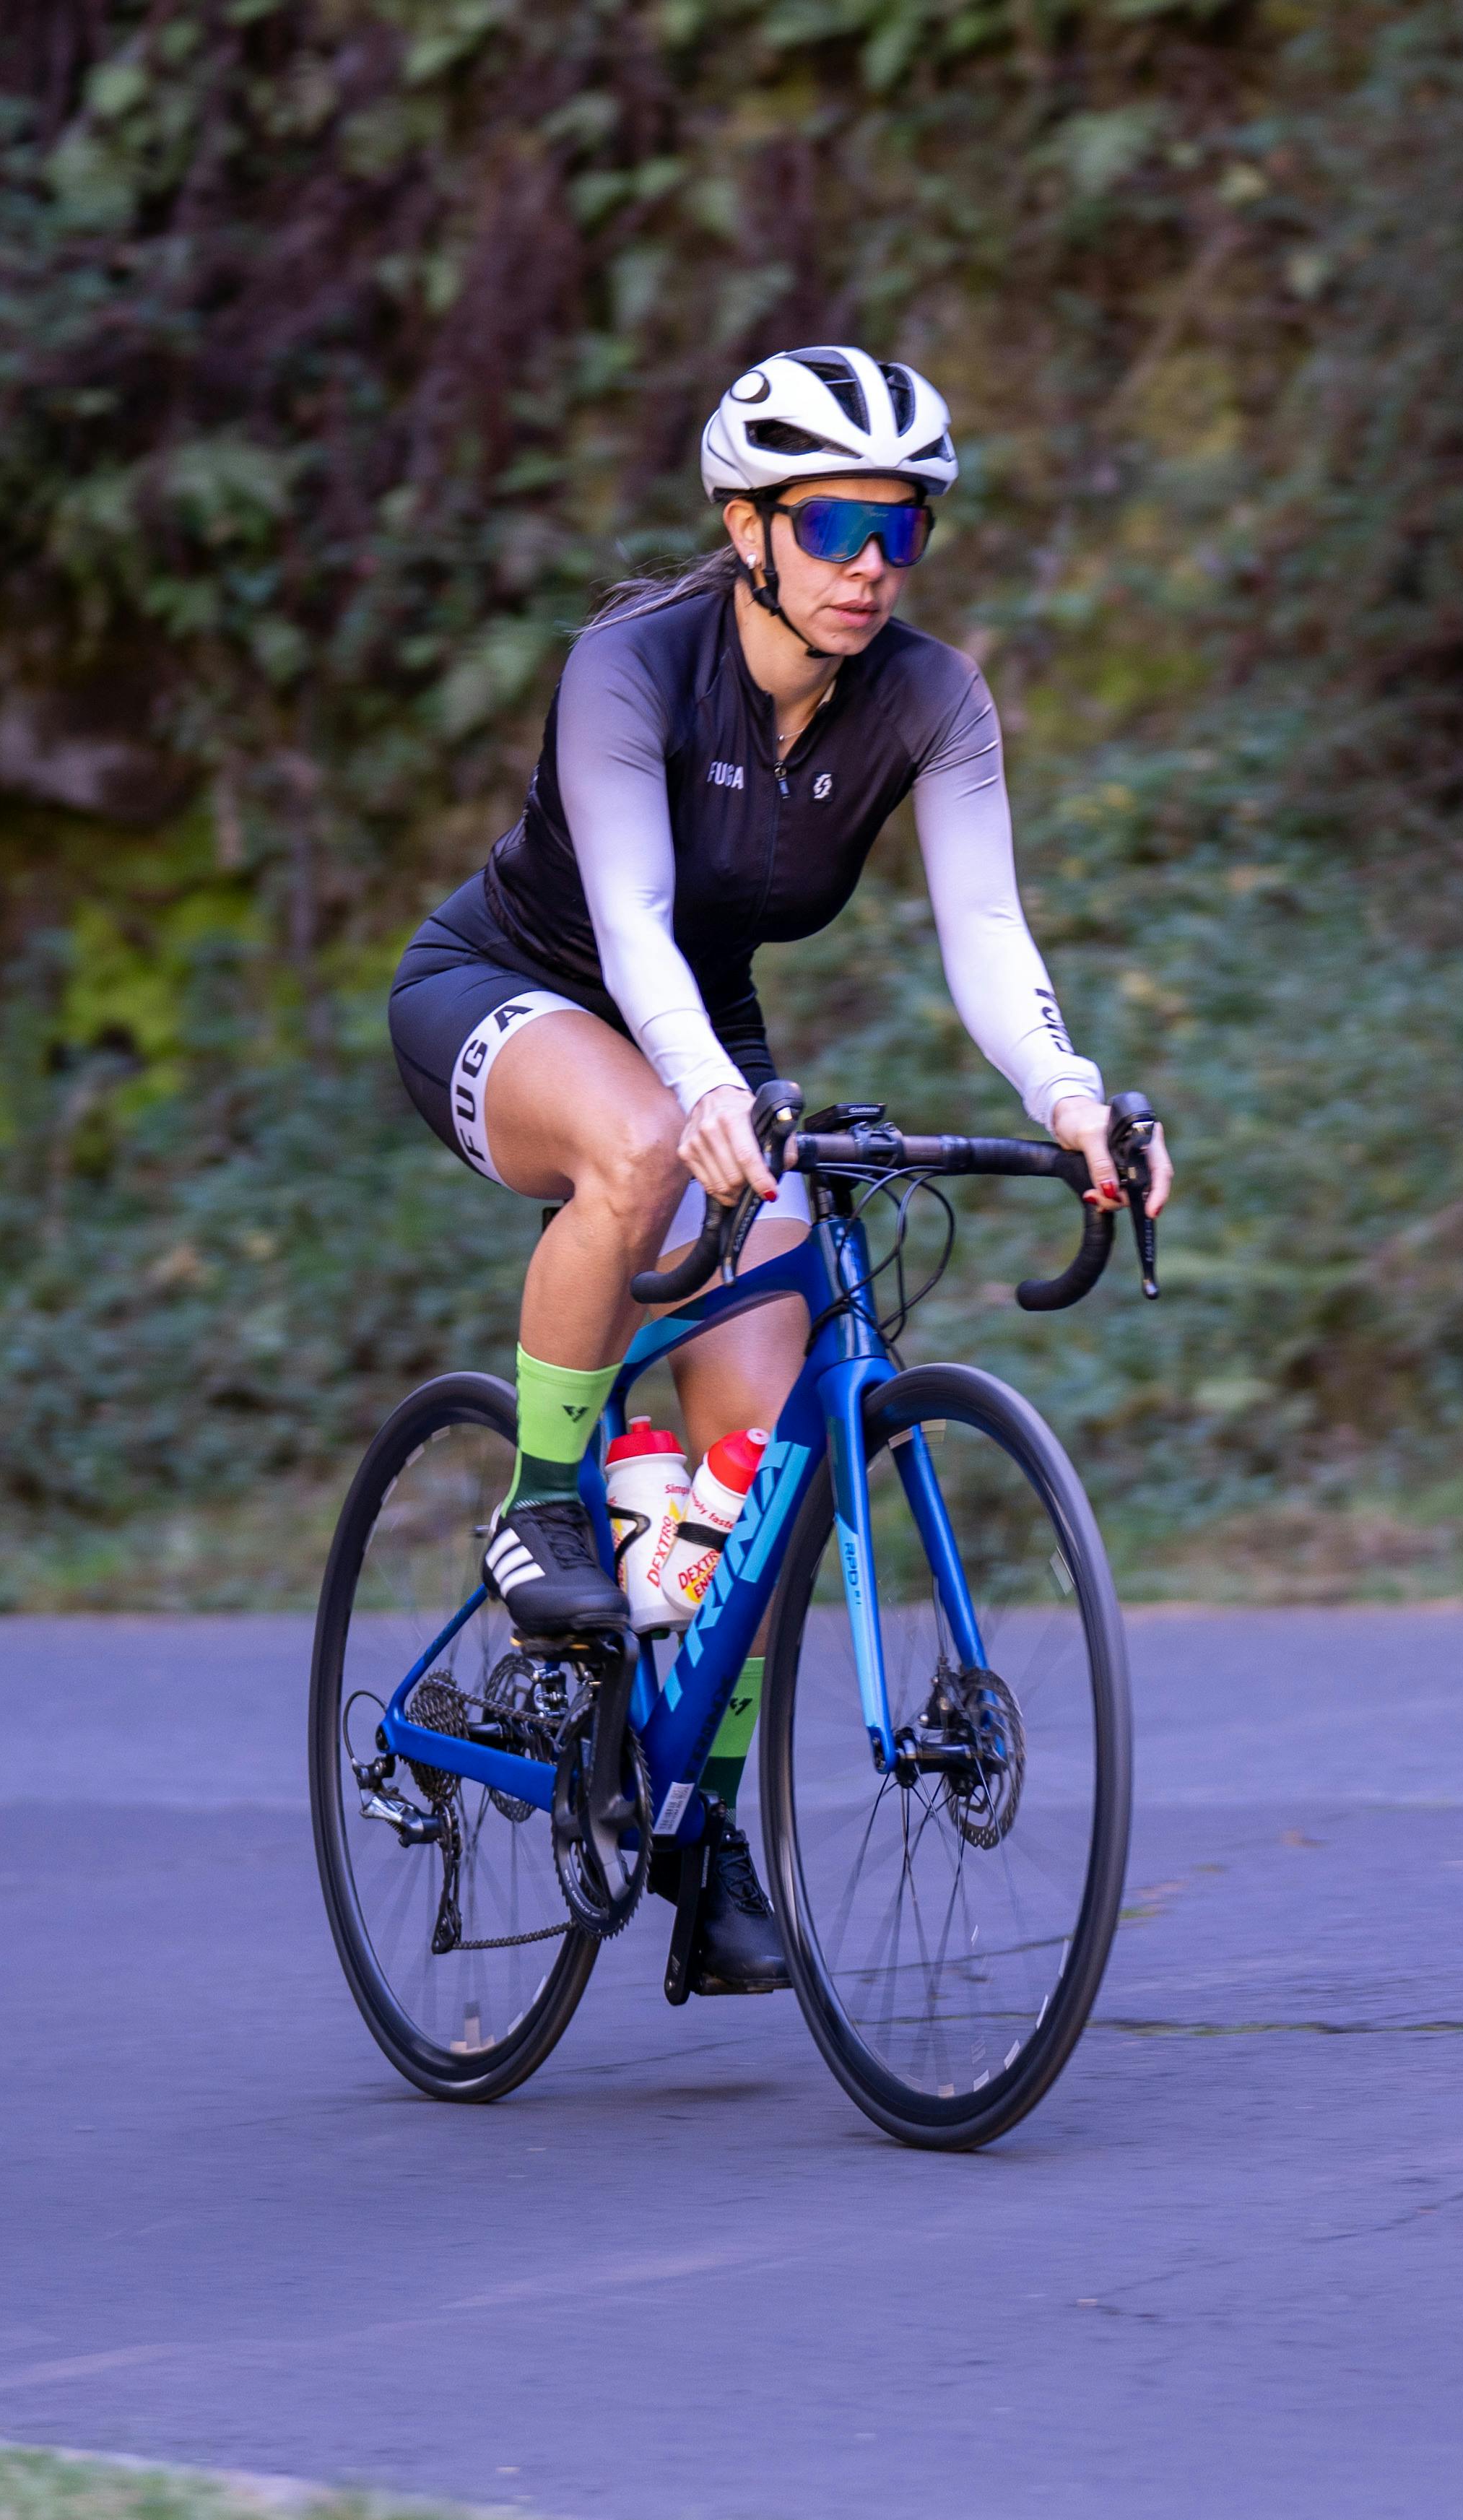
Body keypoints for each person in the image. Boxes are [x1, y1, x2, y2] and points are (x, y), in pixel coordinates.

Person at [383, 345, 1175, 1989]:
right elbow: (628, 919)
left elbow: (986, 930)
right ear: (744, 523)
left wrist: (1072, 1095)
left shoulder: (933, 700)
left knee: (756, 1455)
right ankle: (541, 1507)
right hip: (517, 985)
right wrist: (694, 1094)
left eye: (902, 524)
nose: (868, 560)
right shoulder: (631, 665)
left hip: (700, 1028)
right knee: (635, 1149)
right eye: (829, 522)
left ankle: (696, 1829)